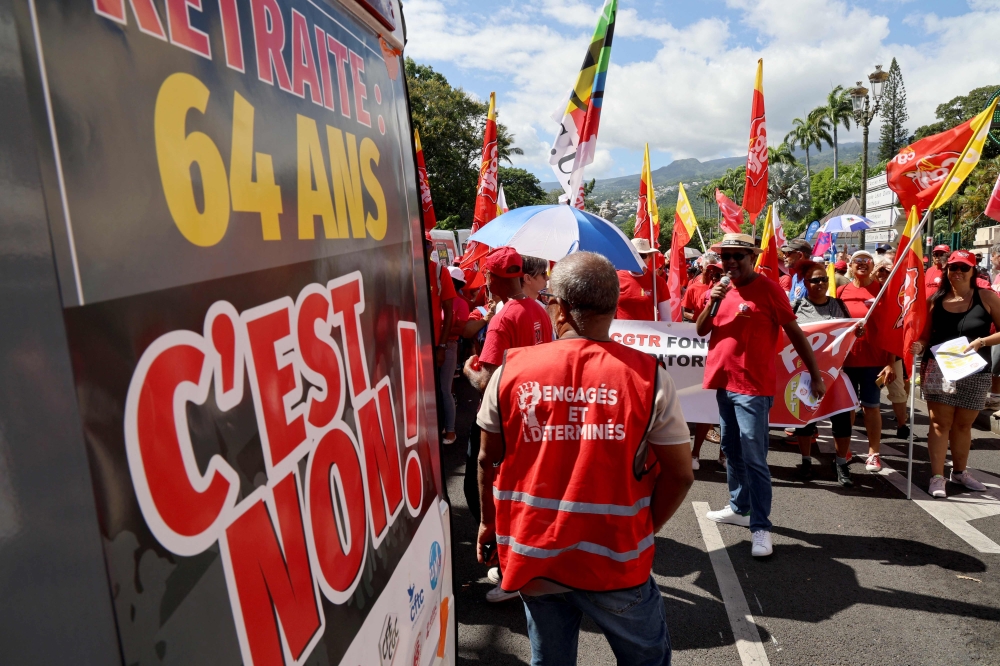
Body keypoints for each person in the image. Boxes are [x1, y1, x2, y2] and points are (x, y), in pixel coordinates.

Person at [476, 252, 693, 664]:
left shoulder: (512, 371)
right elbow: (681, 475)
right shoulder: (649, 376)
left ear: (557, 305)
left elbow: (488, 459)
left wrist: (488, 522)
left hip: (534, 558)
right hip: (616, 560)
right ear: (613, 307)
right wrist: (643, 528)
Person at [696, 233, 827, 558]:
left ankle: (761, 528)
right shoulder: (721, 289)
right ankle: (739, 508)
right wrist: (712, 300)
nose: (730, 262)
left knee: (754, 457)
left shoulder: (769, 290)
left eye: (738, 256)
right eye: (726, 256)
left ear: (752, 257)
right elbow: (701, 329)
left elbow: (795, 332)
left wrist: (814, 372)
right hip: (723, 383)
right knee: (729, 447)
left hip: (753, 388)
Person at [464, 246, 553, 602]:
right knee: (522, 489)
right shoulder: (539, 310)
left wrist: (471, 369)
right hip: (532, 412)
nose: (484, 281)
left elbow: (486, 380)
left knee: (485, 489)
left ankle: (507, 570)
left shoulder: (502, 319)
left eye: (486, 275)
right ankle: (519, 564)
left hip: (502, 417)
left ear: (495, 279)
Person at [913, 250, 1000, 498]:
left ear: (973, 271)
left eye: (964, 267)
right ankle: (937, 477)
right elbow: (924, 335)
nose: (958, 272)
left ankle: (960, 472)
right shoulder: (935, 300)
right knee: (940, 425)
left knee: (964, 425)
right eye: (953, 268)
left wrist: (982, 341)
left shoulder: (986, 297)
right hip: (938, 369)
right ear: (946, 271)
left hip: (975, 370)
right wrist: (918, 345)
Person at [790, 261, 859, 486]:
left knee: (841, 420)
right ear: (805, 283)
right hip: (805, 374)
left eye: (823, 279)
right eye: (814, 280)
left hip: (834, 373)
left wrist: (858, 332)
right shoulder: (796, 306)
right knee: (805, 419)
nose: (820, 283)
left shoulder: (839, 306)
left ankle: (840, 463)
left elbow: (851, 334)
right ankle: (806, 460)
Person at [838, 251, 895, 472]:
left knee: (871, 408)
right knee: (847, 409)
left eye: (866, 261)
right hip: (847, 361)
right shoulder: (841, 291)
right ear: (850, 266)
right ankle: (846, 448)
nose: (862, 265)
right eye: (857, 262)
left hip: (875, 361)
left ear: (872, 266)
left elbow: (891, 330)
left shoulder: (883, 291)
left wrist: (890, 362)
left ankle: (874, 453)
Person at [439, 267, 470, 445]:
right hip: (437, 347)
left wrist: (443, 329)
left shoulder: (461, 303)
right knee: (437, 390)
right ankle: (442, 426)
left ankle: (450, 431)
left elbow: (462, 329)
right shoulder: (440, 300)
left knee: (445, 389)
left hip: (449, 347)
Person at [616, 238, 671, 321]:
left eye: (642, 256)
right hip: (621, 332)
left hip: (648, 332)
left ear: (649, 258)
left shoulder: (658, 282)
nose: (638, 259)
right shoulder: (615, 279)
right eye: (634, 255)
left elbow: (666, 318)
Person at [989, 243, 1000, 412]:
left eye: (993, 255)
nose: (991, 258)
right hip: (994, 329)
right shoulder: (997, 276)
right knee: (995, 365)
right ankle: (995, 397)